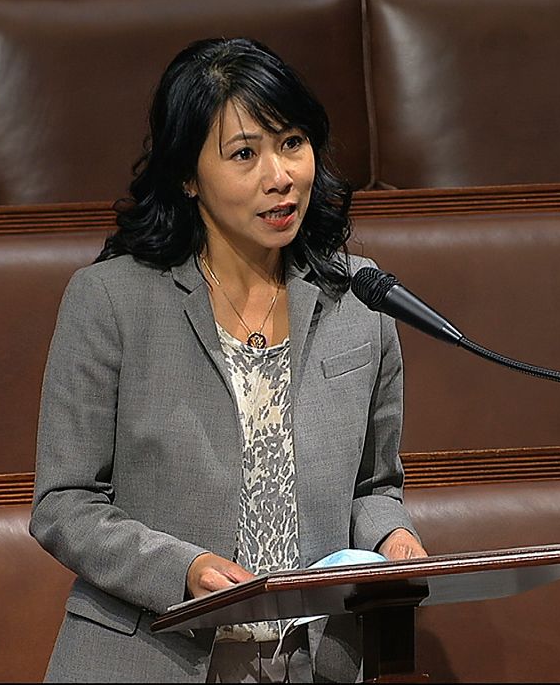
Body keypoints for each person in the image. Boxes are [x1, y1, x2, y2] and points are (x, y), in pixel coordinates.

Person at [30, 37, 426, 683]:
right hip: (152, 656)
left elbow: (373, 486)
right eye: (245, 153)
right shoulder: (110, 300)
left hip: (316, 661)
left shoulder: (358, 296)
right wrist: (183, 570)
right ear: (188, 175)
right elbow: (64, 502)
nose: (280, 175)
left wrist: (393, 539)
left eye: (292, 143)